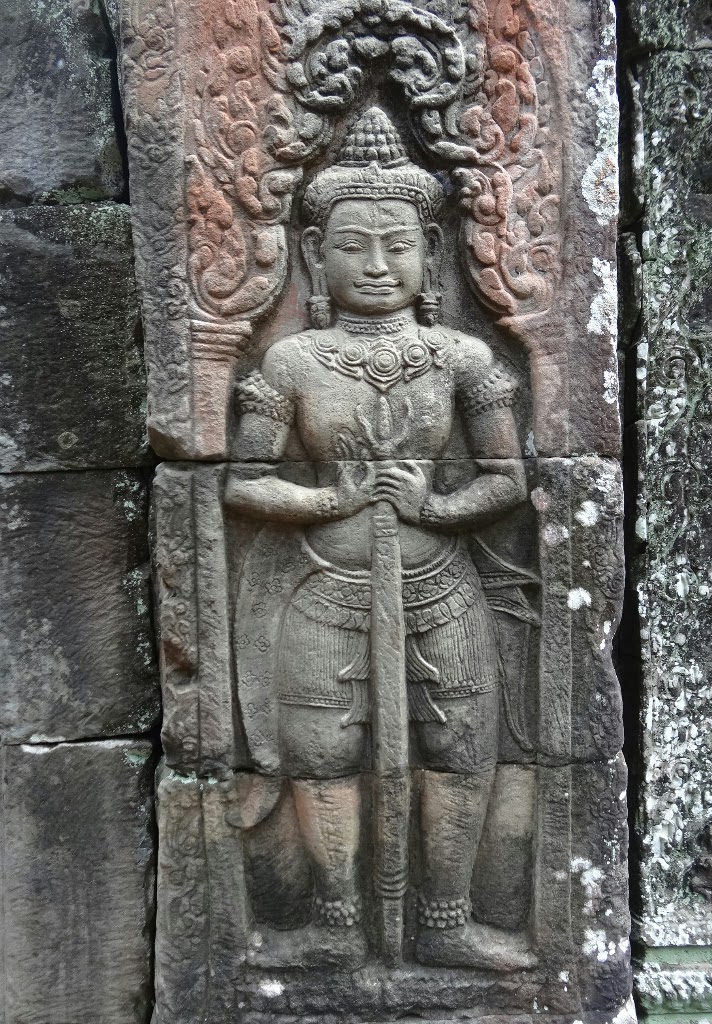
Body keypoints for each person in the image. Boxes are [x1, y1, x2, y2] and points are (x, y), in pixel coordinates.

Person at [226, 107, 531, 971]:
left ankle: (445, 919)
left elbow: (508, 482)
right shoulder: (292, 363)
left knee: (461, 750)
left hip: (440, 586)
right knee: (323, 755)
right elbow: (244, 483)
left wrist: (436, 505)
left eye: (397, 246)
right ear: (312, 254)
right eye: (352, 246)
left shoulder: (461, 358)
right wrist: (330, 497)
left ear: (430, 253)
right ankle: (334, 922)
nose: (375, 265)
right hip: (325, 588)